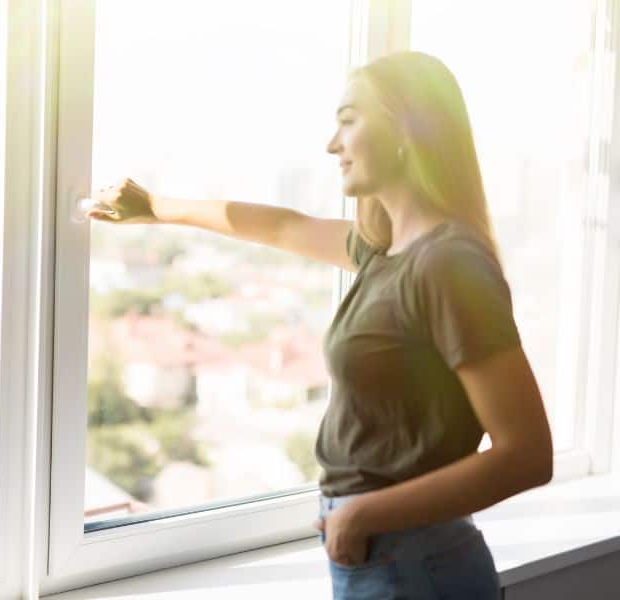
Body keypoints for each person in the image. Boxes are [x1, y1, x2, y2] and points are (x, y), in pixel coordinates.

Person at [85, 51, 553, 600]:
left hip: (416, 567)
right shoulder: (386, 252)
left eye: (349, 120)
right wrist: (154, 206)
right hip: (385, 558)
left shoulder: (447, 265)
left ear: (405, 127)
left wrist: (362, 515)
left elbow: (527, 454)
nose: (332, 144)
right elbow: (284, 227)